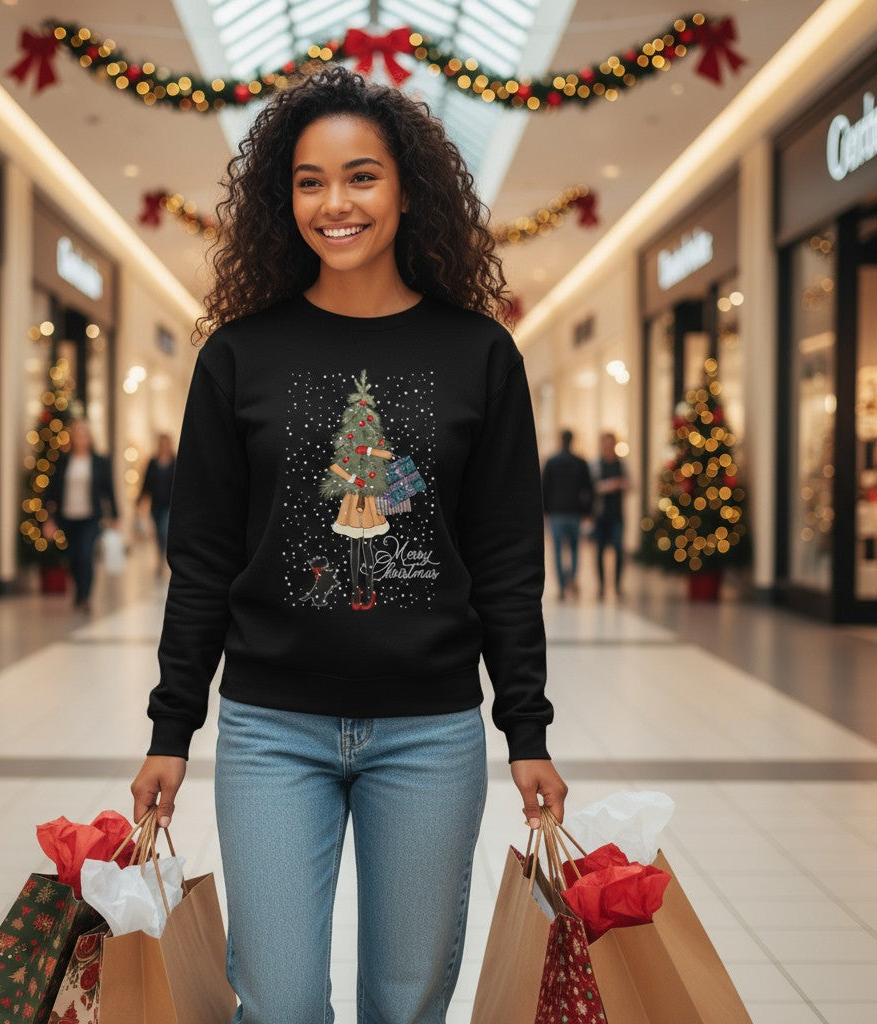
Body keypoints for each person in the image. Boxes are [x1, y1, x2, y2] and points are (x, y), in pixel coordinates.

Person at [129, 66, 567, 1024]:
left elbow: (503, 559)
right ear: (282, 200)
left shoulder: (480, 354)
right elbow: (201, 558)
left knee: (407, 1005)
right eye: (309, 181)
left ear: (409, 189)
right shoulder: (237, 357)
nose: (336, 203)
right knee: (279, 1004)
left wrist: (525, 729)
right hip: (270, 730)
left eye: (362, 176)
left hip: (431, 731)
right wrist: (172, 727)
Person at [44, 419, 119, 611]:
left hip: (91, 516)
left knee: (86, 554)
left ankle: (85, 595)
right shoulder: (63, 461)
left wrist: (115, 515)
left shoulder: (99, 461)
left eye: (84, 434)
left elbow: (108, 490)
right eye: (77, 433)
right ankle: (78, 591)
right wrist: (49, 519)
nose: (81, 438)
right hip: (68, 516)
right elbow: (52, 491)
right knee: (74, 557)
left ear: (89, 437)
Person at [541, 429, 593, 599]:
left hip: (556, 512)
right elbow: (588, 489)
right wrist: (587, 511)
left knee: (557, 550)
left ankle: (563, 585)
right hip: (574, 511)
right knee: (574, 548)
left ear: (560, 440)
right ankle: (572, 578)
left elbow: (544, 488)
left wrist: (545, 510)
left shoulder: (552, 462)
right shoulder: (580, 462)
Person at [593, 430, 630, 599]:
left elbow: (630, 483)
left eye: (611, 443)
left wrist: (621, 484)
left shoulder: (621, 464)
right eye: (605, 443)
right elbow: (592, 487)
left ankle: (617, 585)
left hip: (617, 515)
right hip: (601, 515)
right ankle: (601, 586)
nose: (608, 446)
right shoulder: (595, 464)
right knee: (599, 551)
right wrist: (609, 485)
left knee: (618, 549)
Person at [138, 432, 177, 575]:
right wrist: (140, 500)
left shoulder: (175, 461)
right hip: (156, 505)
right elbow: (146, 482)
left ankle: (164, 559)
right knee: (158, 534)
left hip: (169, 505)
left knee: (163, 531)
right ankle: (160, 557)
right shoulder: (153, 462)